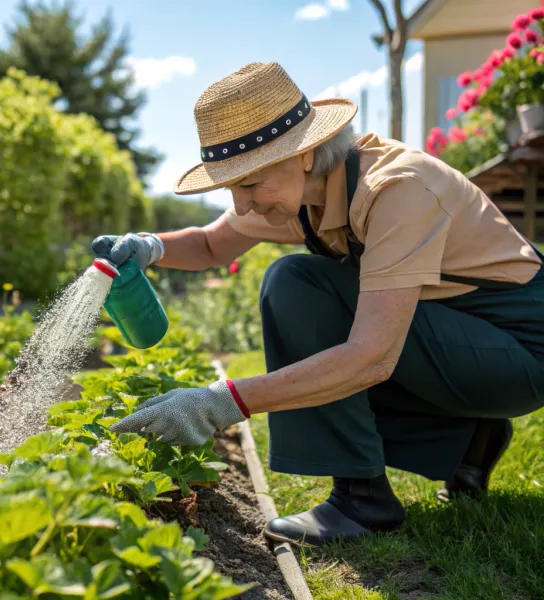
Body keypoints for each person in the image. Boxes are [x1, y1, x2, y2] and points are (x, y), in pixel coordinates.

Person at [91, 61, 544, 547]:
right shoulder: (305, 196)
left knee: (297, 285)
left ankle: (361, 500)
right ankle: (465, 442)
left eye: (249, 184)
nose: (242, 206)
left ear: (304, 154)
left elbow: (372, 356)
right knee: (302, 287)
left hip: (520, 350)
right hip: (463, 337)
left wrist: (219, 402)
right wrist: (149, 246)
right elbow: (209, 245)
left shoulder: (396, 189)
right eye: (231, 188)